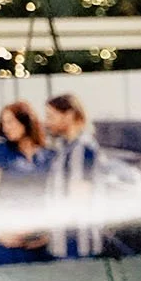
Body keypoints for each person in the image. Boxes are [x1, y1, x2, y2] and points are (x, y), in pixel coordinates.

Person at [0, 102, 55, 267]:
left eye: (10, 121)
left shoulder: (48, 155)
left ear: (26, 121)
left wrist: (49, 233)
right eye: (3, 123)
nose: (5, 127)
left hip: (40, 242)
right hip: (7, 243)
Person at [44, 94, 103, 258]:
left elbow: (80, 199)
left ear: (69, 115)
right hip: (63, 242)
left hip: (77, 244)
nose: (47, 122)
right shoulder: (65, 148)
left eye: (51, 116)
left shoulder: (82, 149)